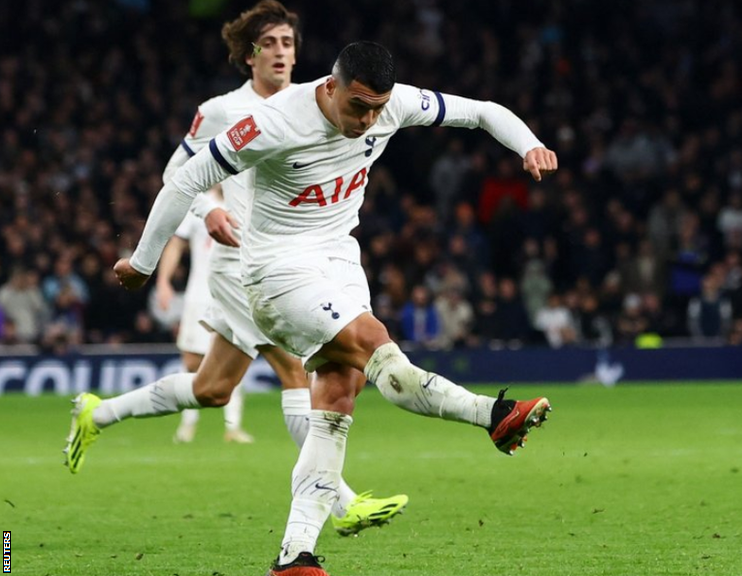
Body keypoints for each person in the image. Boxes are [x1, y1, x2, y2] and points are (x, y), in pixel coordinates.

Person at [102, 41, 555, 576]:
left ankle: (295, 556)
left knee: (337, 400)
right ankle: (493, 415)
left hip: (340, 263)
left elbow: (481, 113)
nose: (368, 119)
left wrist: (529, 145)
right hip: (276, 273)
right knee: (376, 346)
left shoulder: (393, 104)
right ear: (330, 86)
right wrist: (145, 261)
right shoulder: (274, 121)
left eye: (377, 109)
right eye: (358, 105)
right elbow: (187, 177)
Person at [63, 1, 407, 538]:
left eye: (288, 43)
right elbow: (178, 172)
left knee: (213, 388)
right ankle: (342, 503)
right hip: (243, 263)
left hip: (296, 260)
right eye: (267, 43)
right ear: (249, 55)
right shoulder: (223, 110)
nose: (280, 52)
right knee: (303, 370)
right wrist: (210, 210)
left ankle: (97, 413)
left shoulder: (319, 106)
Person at [155, 204, 254, 444]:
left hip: (235, 292)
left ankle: (232, 426)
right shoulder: (200, 202)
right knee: (191, 362)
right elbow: (177, 243)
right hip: (200, 295)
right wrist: (163, 281)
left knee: (236, 356)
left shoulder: (246, 197)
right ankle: (187, 424)